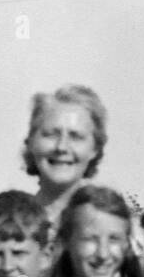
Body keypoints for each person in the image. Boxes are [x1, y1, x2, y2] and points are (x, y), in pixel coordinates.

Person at [21, 83, 109, 238]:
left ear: (95, 148)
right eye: (50, 134)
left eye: (76, 136)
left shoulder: (115, 228)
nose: (62, 147)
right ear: (31, 142)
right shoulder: (12, 225)